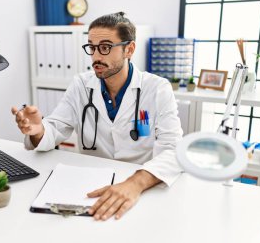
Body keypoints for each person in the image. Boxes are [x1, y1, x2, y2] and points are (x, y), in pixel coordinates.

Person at [11, 12, 183, 221]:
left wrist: (134, 183)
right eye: (91, 47)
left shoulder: (157, 88)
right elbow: (56, 129)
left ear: (129, 49)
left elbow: (173, 150)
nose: (96, 56)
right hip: (89, 185)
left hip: (141, 185)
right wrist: (38, 130)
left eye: (105, 47)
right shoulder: (81, 85)